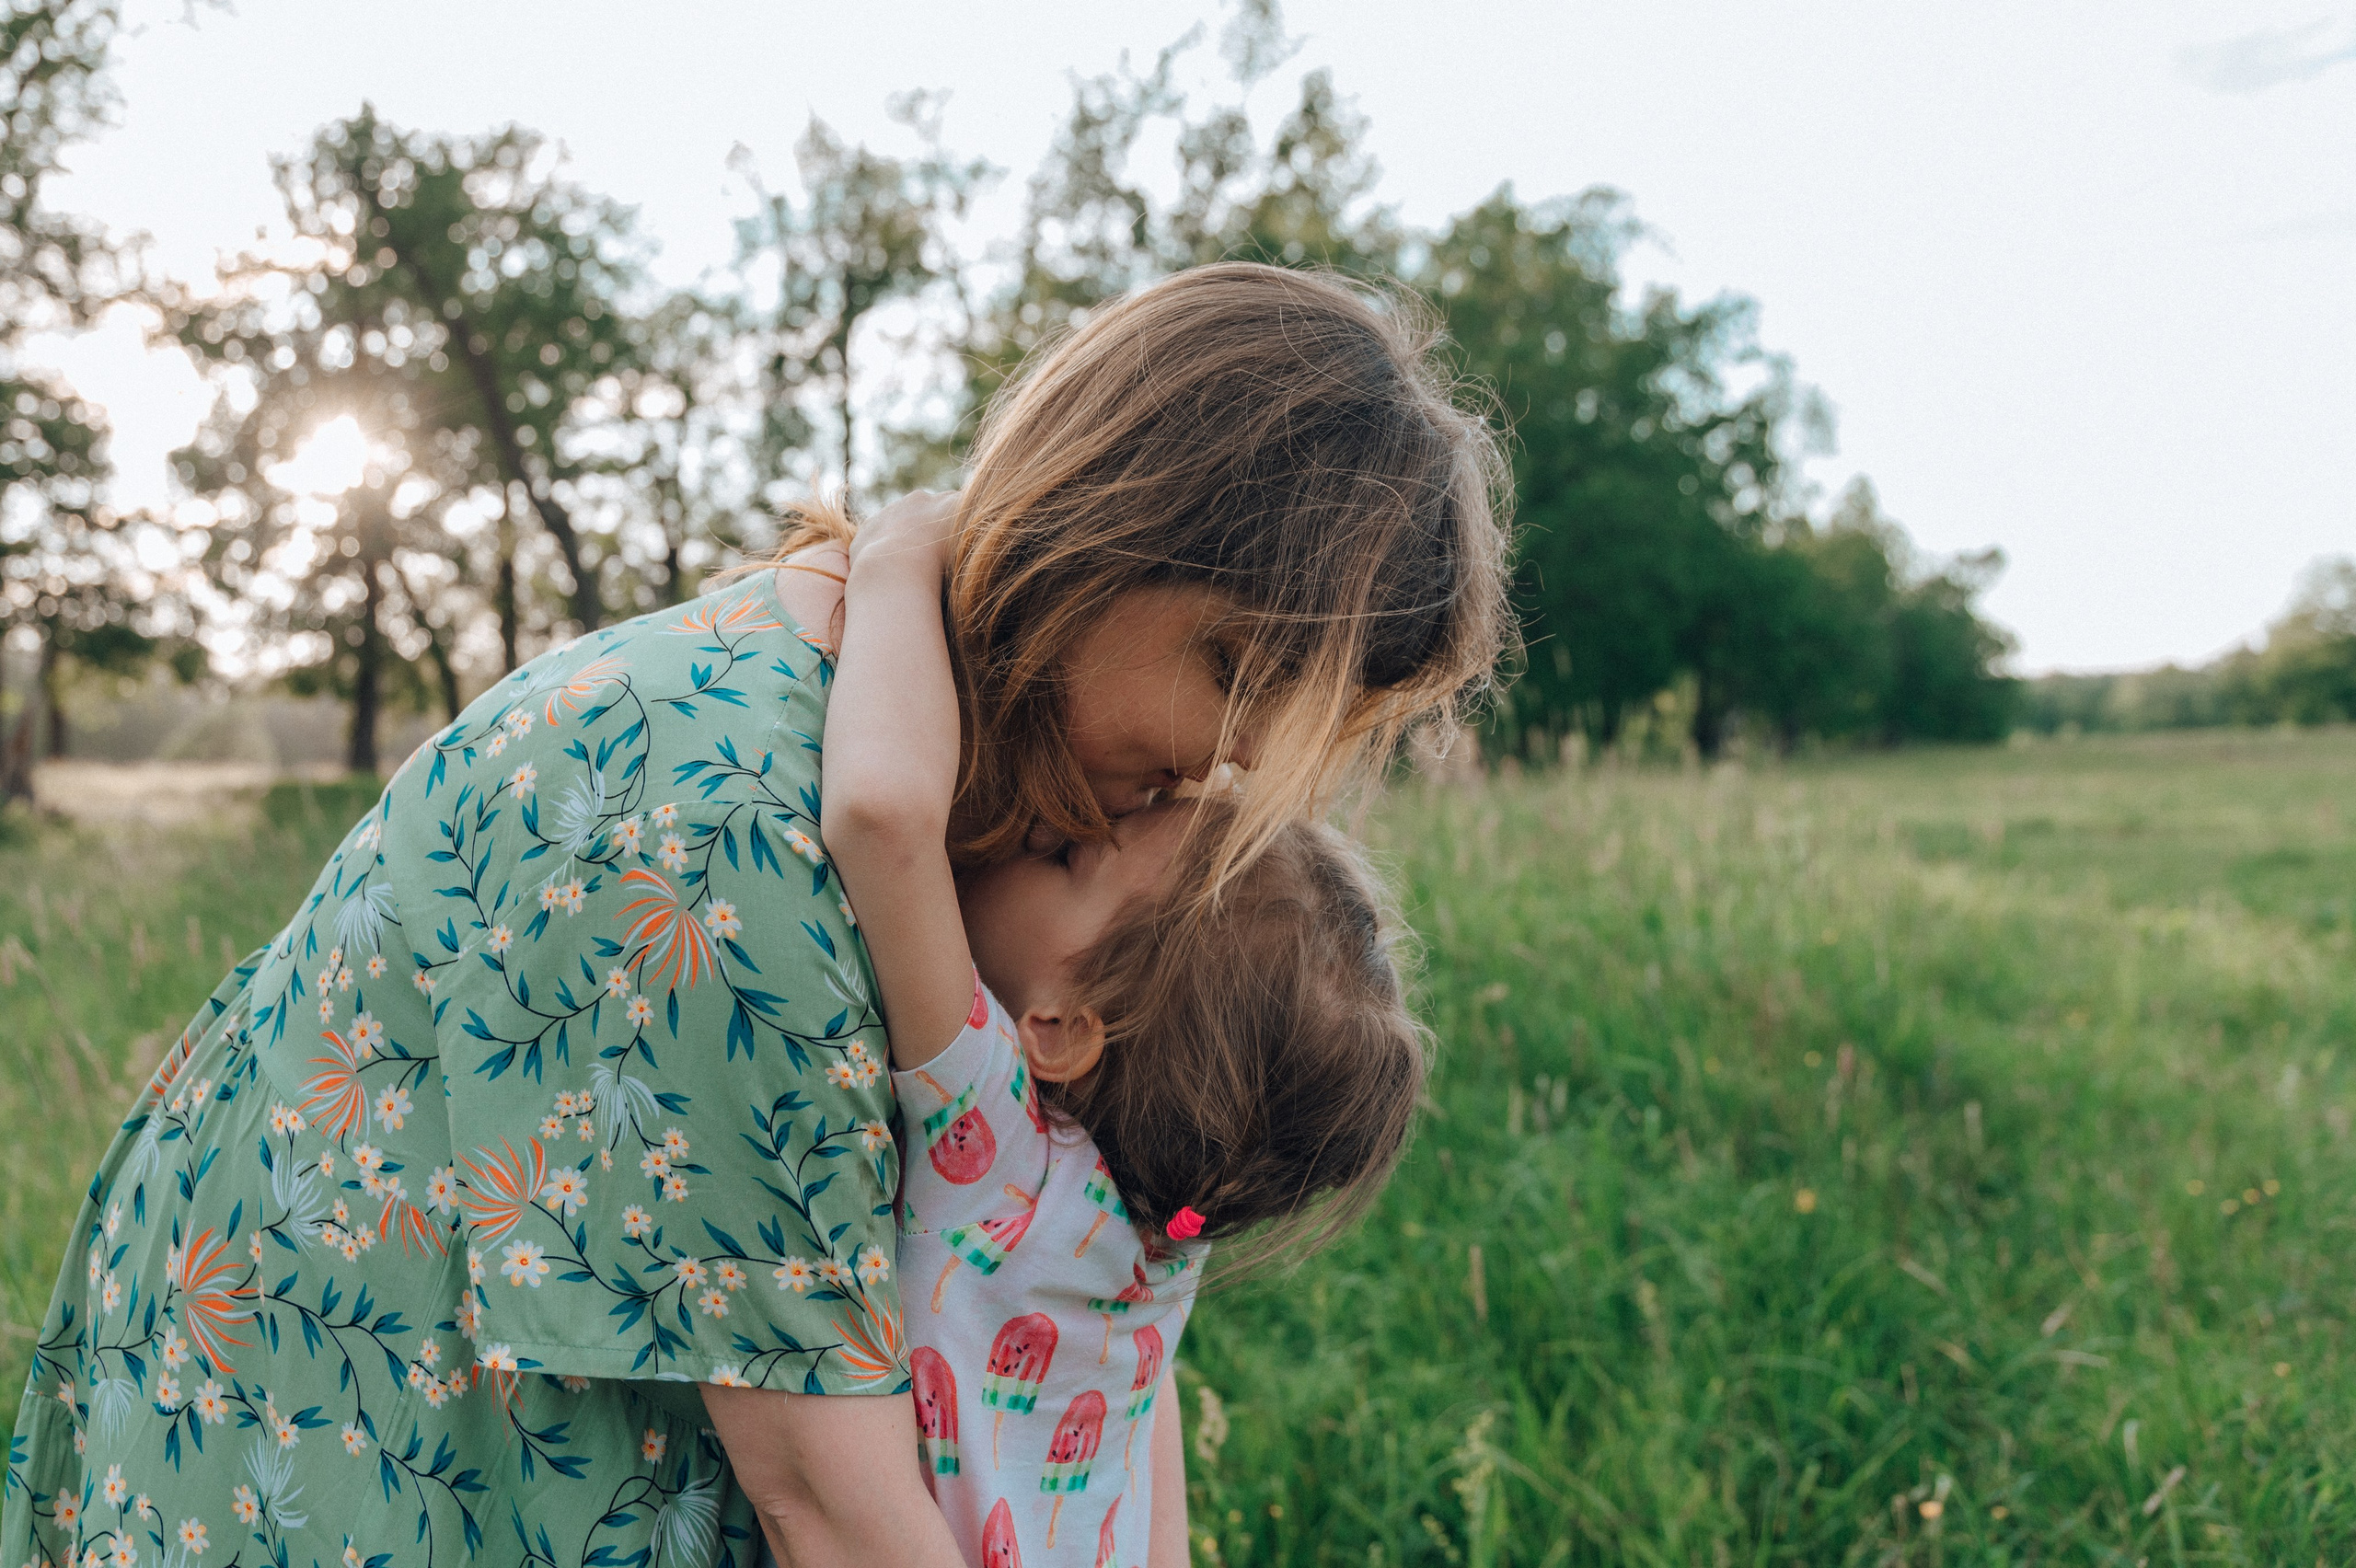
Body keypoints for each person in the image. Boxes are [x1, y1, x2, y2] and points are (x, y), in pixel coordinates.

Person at [2, 261, 1508, 1568]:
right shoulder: (728, 826)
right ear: (1116, 530)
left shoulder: (965, 790)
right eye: (1236, 670)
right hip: (345, 1461)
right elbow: (822, 1495)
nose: (1223, 766)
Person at [819, 503, 1430, 1566]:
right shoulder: (1167, 1234)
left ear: (1059, 1030)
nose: (1032, 839)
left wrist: (893, 560)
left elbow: (881, 818)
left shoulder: (996, 1145)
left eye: (1063, 857)